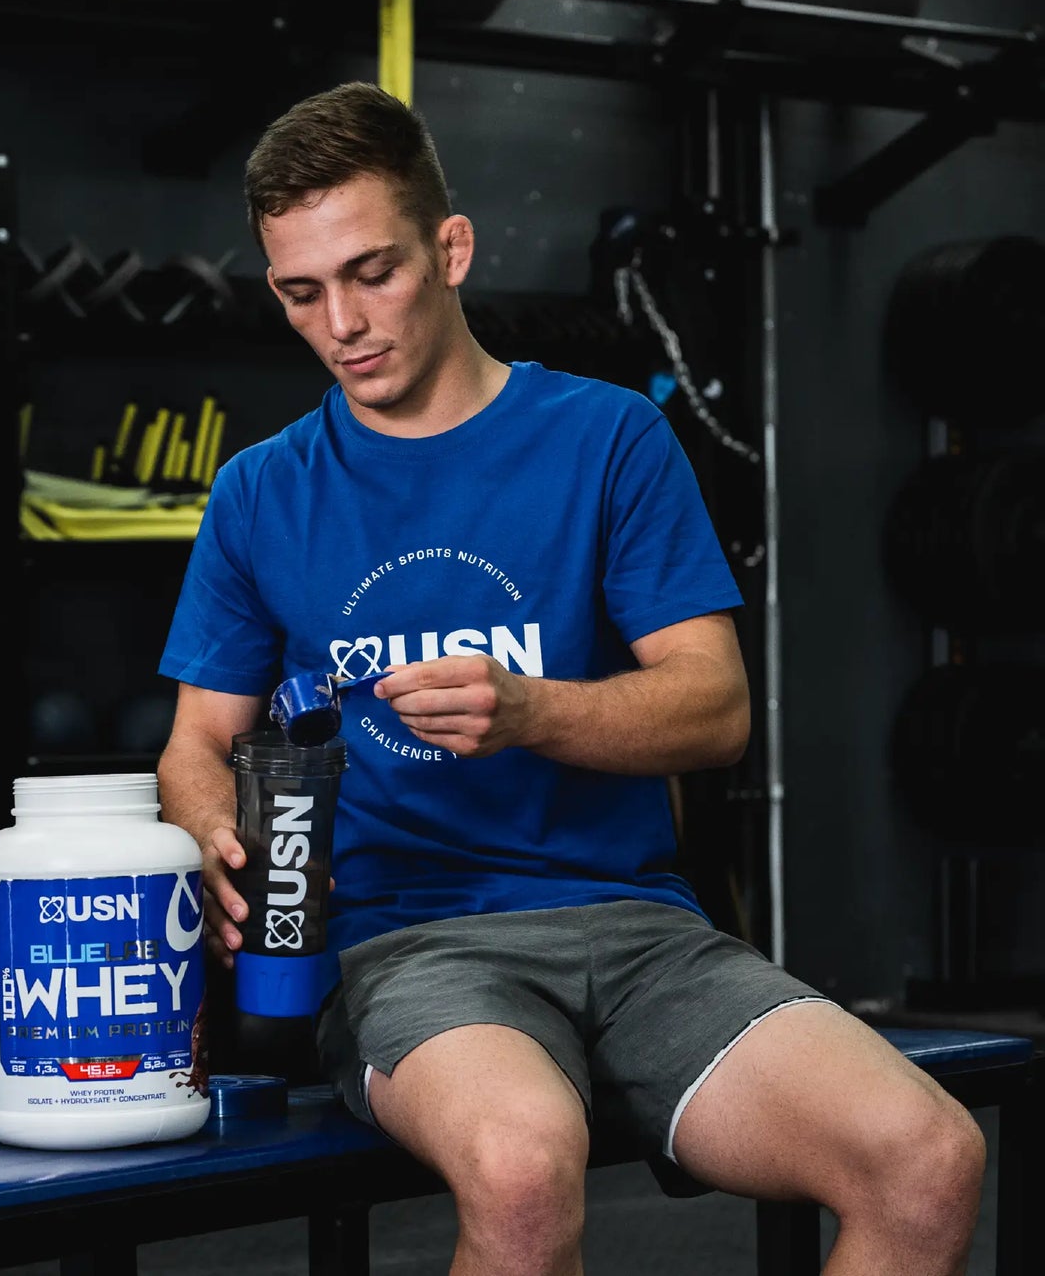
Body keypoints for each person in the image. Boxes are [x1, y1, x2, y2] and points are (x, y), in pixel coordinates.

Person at [155, 81, 984, 1276]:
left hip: (639, 929)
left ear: (449, 249)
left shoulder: (607, 438)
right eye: (300, 291)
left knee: (927, 1159)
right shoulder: (259, 492)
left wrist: (531, 708)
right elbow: (196, 741)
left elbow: (715, 708)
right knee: (520, 1167)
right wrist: (212, 833)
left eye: (372, 272)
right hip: (410, 943)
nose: (341, 321)